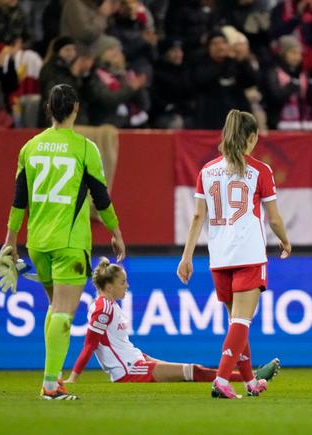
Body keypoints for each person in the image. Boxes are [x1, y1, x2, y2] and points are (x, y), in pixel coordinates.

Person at [0, 83, 126, 400]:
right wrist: (116, 230)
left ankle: (50, 379)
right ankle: (50, 383)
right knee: (64, 314)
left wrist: (10, 240)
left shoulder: (30, 147)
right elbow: (101, 196)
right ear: (75, 109)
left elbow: (18, 199)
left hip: (37, 243)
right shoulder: (84, 148)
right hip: (69, 242)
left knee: (54, 308)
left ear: (48, 110)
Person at [177, 109, 292, 399]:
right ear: (251, 137)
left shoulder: (207, 171)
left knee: (236, 324)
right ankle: (222, 380)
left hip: (219, 257)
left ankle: (250, 382)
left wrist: (187, 256)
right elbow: (275, 219)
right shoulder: (260, 170)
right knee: (241, 322)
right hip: (249, 254)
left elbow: (197, 217)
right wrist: (285, 241)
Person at [64, 259, 281, 384]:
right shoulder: (103, 309)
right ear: (109, 287)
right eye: (122, 282)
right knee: (190, 371)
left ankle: (247, 377)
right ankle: (246, 378)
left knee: (191, 369)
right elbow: (90, 345)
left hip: (137, 359)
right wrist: (73, 378)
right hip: (129, 370)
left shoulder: (110, 306)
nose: (127, 286)